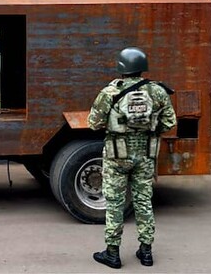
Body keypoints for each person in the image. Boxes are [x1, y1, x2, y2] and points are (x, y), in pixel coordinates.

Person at [87, 47, 176, 269]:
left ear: (121, 67)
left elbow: (93, 123)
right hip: (145, 155)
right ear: (142, 67)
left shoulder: (110, 92)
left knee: (115, 204)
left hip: (117, 155)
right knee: (143, 201)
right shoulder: (157, 91)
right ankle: (146, 252)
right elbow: (169, 122)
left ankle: (113, 253)